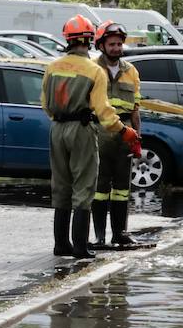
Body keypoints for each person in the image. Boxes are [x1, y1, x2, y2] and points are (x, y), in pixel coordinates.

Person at [41, 16, 141, 259]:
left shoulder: (53, 67)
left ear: (68, 39)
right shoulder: (93, 70)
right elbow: (103, 111)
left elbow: (44, 103)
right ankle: (80, 247)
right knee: (85, 188)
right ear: (90, 40)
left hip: (57, 129)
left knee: (61, 187)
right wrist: (124, 130)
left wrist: (60, 118)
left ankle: (60, 245)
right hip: (82, 129)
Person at [90, 22, 142, 248]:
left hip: (125, 133)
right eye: (111, 44)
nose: (116, 48)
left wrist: (137, 138)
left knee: (122, 188)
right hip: (99, 131)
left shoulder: (131, 71)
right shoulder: (91, 68)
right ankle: (100, 237)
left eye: (119, 44)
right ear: (101, 45)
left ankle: (119, 233)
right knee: (99, 188)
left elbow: (136, 109)